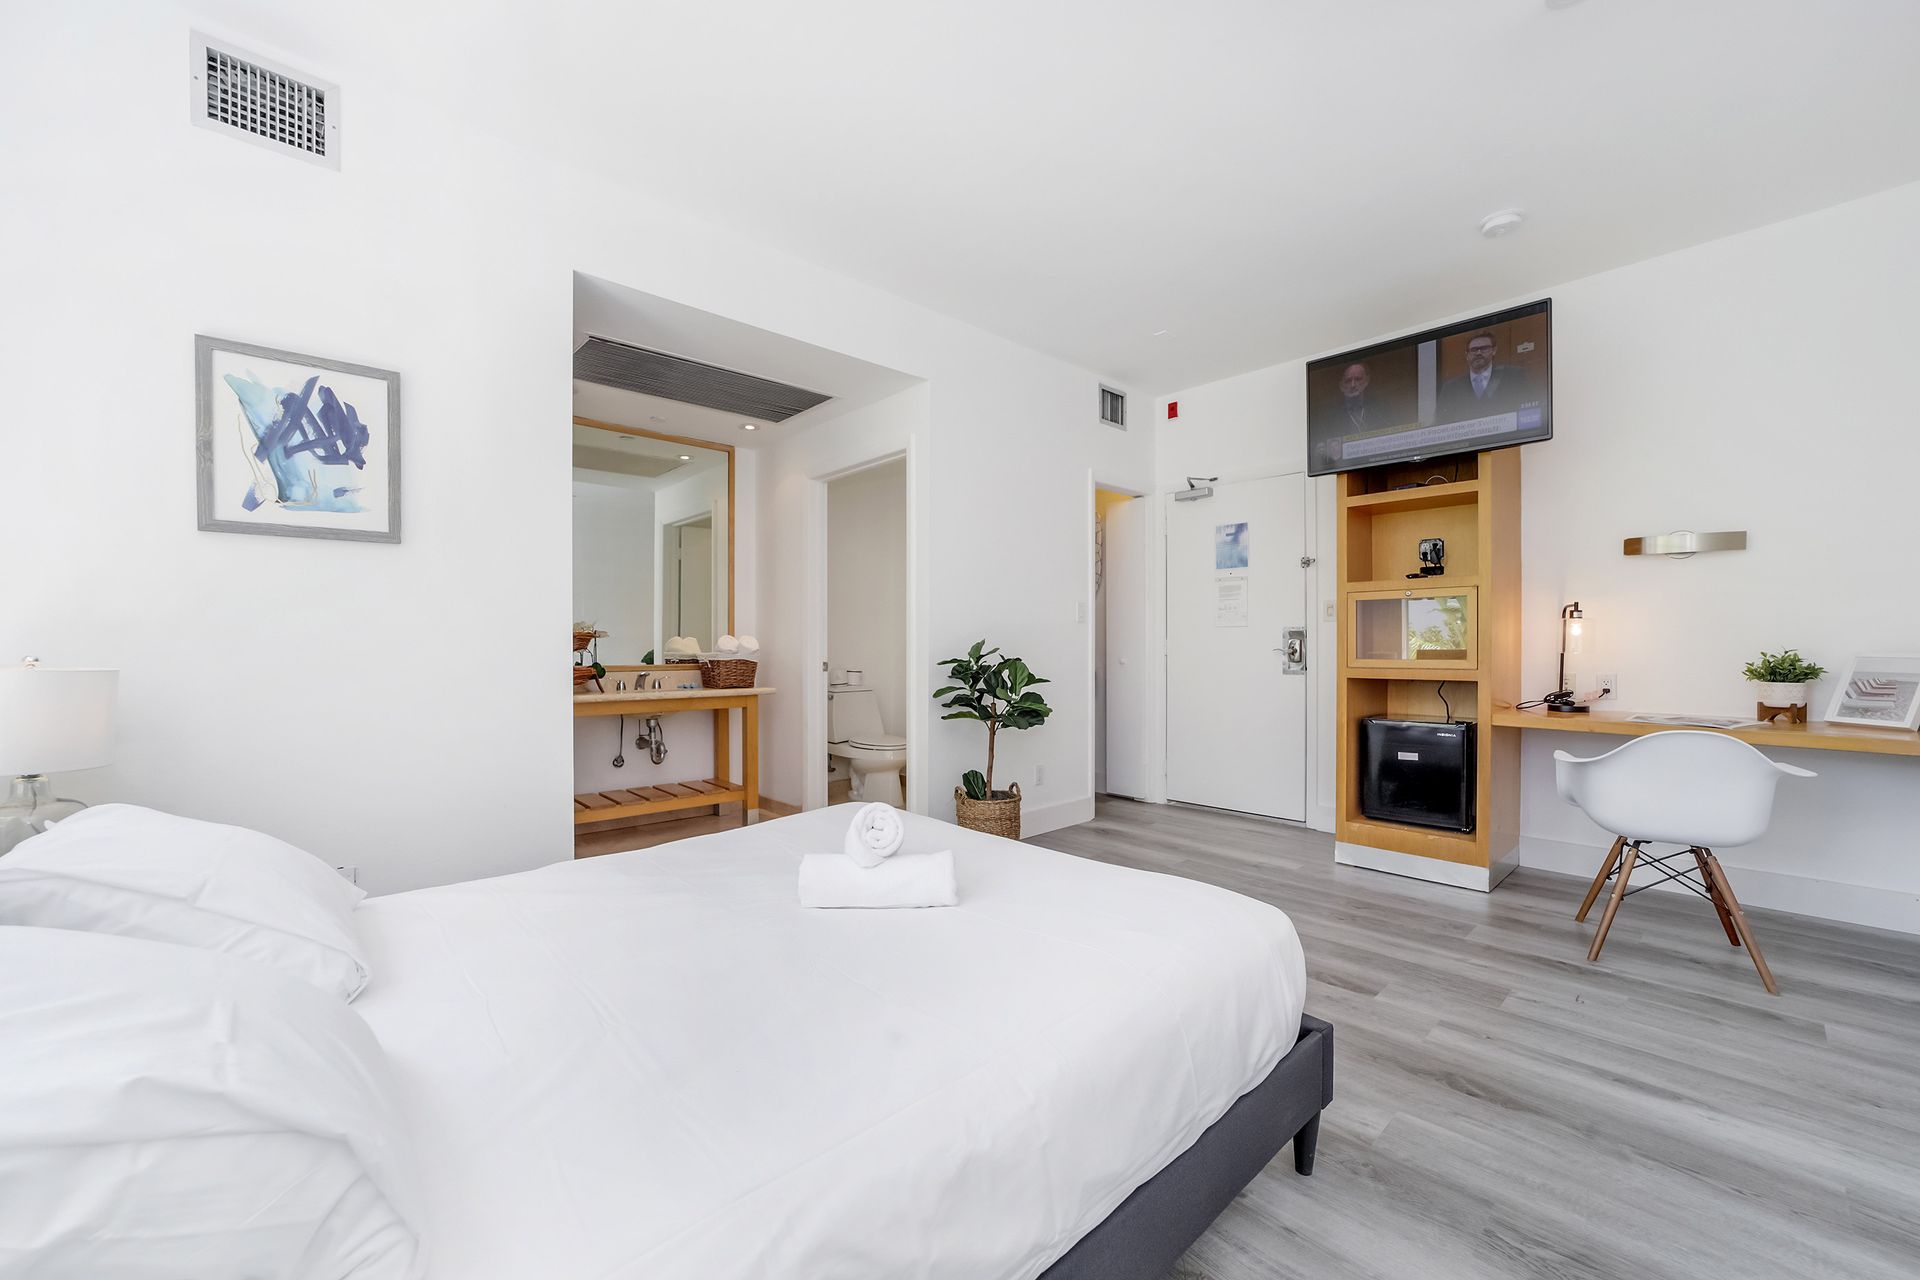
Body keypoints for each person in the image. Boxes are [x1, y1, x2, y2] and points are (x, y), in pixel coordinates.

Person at [1436, 331, 1531, 421]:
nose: (1478, 353)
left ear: (1494, 350)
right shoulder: (1451, 388)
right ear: (1467, 355)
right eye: (1473, 350)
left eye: (1484, 348)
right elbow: (1440, 422)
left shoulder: (1514, 376)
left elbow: (1529, 409)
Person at [1317, 361, 1398, 433]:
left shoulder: (1380, 409)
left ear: (1366, 381)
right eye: (1348, 381)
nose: (1353, 385)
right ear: (1341, 386)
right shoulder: (1331, 418)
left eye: (1358, 379)